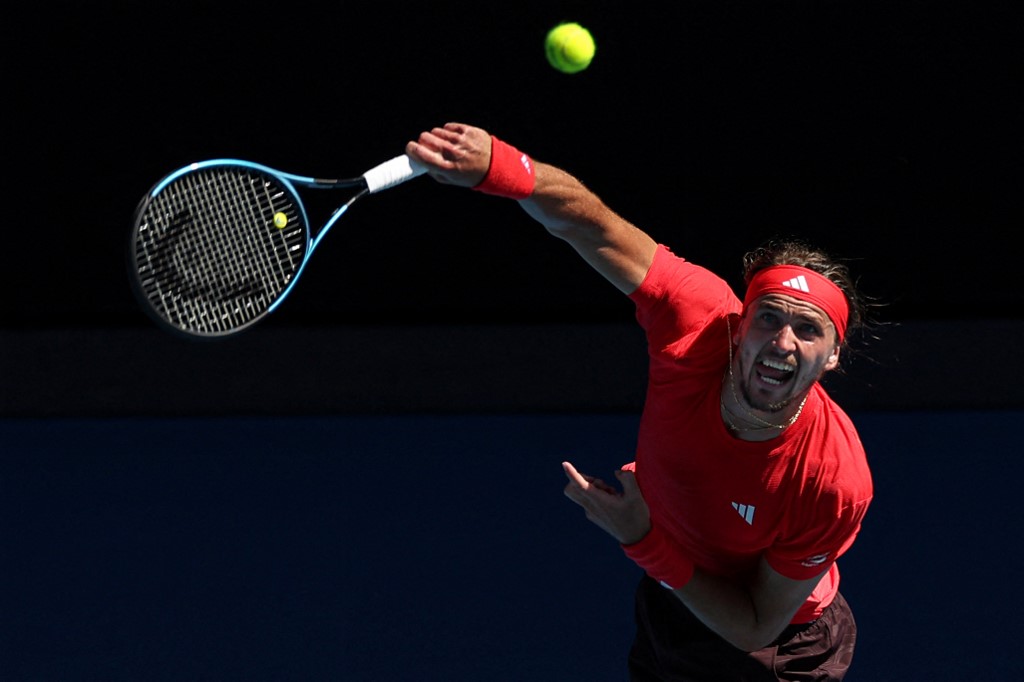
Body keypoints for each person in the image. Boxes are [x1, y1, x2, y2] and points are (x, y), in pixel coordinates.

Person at [406, 122, 874, 681]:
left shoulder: (833, 479)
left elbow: (755, 626)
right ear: (739, 325)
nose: (781, 341)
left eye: (807, 330)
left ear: (831, 358)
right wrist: (501, 167)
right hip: (671, 598)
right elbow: (592, 226)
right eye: (768, 318)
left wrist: (642, 539)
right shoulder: (696, 317)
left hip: (780, 650)